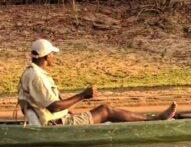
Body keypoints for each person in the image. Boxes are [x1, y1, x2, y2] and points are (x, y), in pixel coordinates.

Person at [17, 39, 177, 126]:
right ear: (46, 57)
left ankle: (152, 119)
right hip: (56, 125)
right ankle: (156, 120)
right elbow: (54, 106)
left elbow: (52, 106)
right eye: (53, 54)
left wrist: (72, 112)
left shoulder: (31, 73)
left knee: (102, 113)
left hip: (53, 120)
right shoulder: (37, 76)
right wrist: (83, 95)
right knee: (106, 110)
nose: (54, 56)